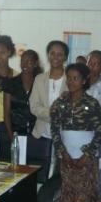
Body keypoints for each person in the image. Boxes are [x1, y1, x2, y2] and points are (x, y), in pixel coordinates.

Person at [50, 63, 101, 202]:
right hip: (66, 159)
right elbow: (54, 129)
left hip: (86, 160)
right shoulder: (60, 103)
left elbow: (100, 131)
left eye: (76, 78)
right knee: (67, 197)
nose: (71, 82)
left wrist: (87, 154)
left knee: (85, 197)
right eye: (69, 78)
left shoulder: (92, 103)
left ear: (84, 80)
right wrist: (63, 153)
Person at [30, 40, 69, 177]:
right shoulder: (39, 79)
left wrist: (57, 115)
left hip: (65, 137)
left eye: (60, 54)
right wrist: (52, 114)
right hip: (41, 134)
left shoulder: (71, 79)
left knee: (60, 176)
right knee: (40, 175)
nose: (56, 57)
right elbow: (34, 106)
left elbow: (71, 109)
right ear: (48, 55)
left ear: (65, 57)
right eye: (52, 53)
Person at [86, 50, 101, 202]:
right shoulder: (78, 81)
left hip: (99, 139)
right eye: (90, 62)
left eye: (96, 64)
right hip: (79, 139)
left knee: (99, 182)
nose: (92, 66)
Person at [4, 49, 41, 140]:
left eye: (29, 61)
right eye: (22, 61)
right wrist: (10, 134)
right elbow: (6, 113)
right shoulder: (11, 83)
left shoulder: (40, 83)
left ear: (35, 64)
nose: (25, 64)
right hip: (16, 131)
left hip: (36, 133)